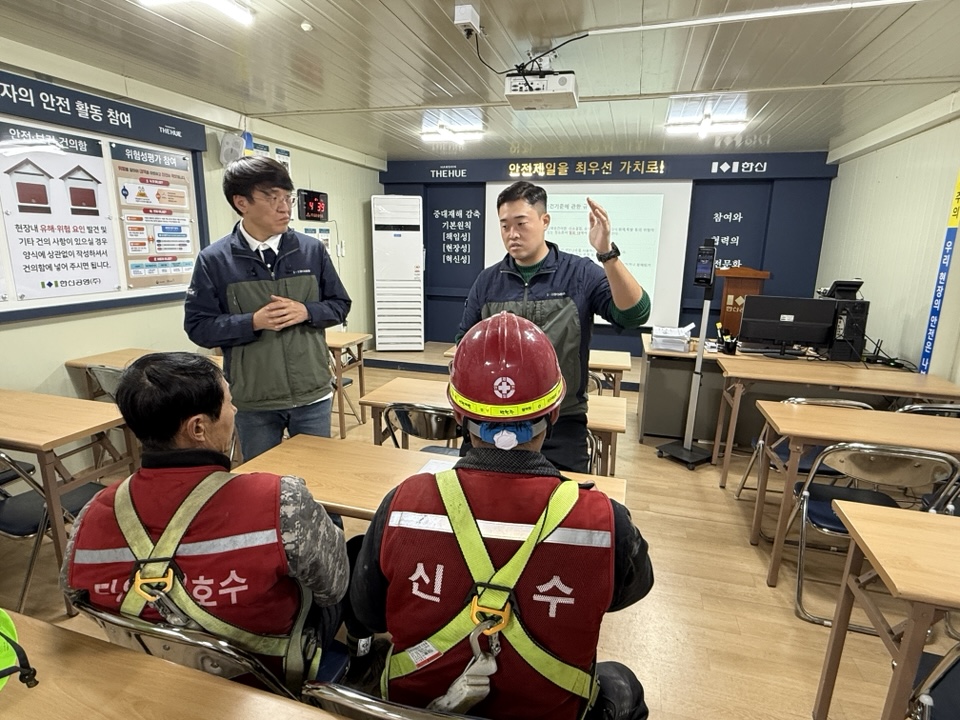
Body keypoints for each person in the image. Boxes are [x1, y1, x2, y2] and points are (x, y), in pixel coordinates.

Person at [350, 312, 653, 720]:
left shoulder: (402, 503)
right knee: (623, 683)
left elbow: (367, 613)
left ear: (459, 416)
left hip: (417, 710)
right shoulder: (605, 522)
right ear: (554, 413)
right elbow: (629, 591)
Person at [60, 352, 349, 692]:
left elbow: (74, 592)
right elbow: (334, 587)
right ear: (198, 427)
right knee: (350, 558)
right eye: (228, 402)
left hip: (146, 675)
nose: (235, 410)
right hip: (262, 681)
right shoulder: (280, 499)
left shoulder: (94, 511)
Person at [457, 181, 650, 472]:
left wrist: (607, 254)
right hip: (490, 421)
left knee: (566, 498)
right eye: (504, 226)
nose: (512, 234)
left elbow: (635, 314)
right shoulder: (488, 281)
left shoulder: (579, 273)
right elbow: (464, 342)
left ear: (545, 221)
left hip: (560, 420)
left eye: (521, 223)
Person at [184, 156, 351, 461]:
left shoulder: (310, 250)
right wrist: (252, 322)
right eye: (273, 198)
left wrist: (307, 311)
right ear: (241, 203)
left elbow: (340, 305)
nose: (285, 208)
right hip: (254, 399)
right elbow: (199, 327)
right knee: (262, 480)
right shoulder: (215, 260)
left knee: (319, 476)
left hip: (312, 392)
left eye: (288, 198)